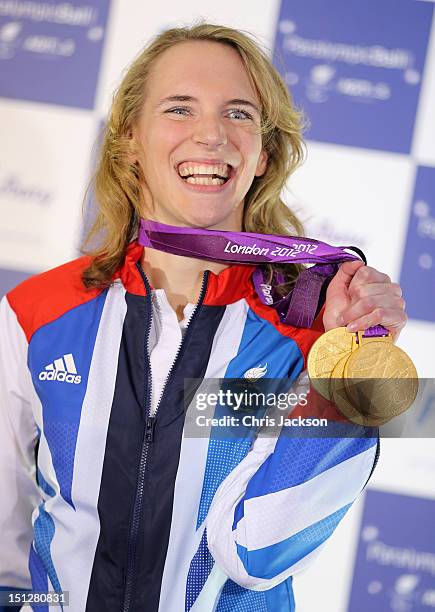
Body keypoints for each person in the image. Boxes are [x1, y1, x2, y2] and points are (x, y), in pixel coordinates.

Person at [0, 22, 407, 612]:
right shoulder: (37, 312)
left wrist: (349, 371)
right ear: (129, 140)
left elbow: (263, 553)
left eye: (239, 113)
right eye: (179, 108)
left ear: (265, 152)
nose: (211, 134)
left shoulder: (315, 333)